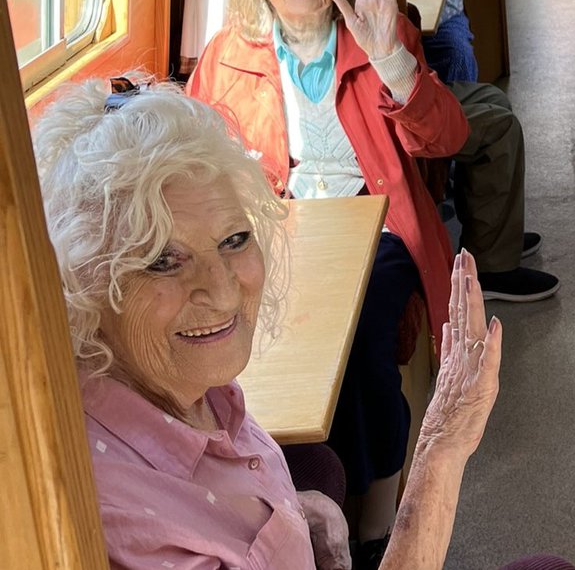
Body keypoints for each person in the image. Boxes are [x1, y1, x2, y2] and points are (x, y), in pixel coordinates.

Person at [32, 78, 506, 569]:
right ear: (83, 284)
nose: (222, 292)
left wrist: (294, 514)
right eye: (162, 262)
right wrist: (441, 449)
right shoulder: (124, 523)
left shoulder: (172, 380)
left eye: (234, 239)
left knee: (323, 464)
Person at [185, 0, 469, 558]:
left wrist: (392, 60)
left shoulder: (378, 33)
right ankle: (305, 499)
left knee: (364, 340)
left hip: (377, 223)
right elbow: (197, 159)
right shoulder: (228, 54)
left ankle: (375, 513)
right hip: (274, 228)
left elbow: (447, 137)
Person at [328, 0, 559, 303]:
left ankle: (489, 234)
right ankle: (493, 268)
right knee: (499, 127)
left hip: (399, 90)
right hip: (381, 109)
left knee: (492, 98)